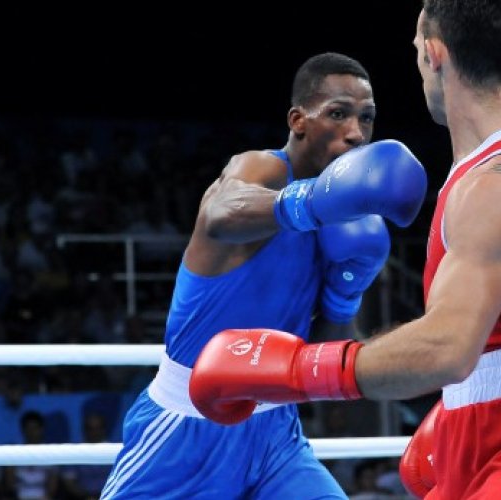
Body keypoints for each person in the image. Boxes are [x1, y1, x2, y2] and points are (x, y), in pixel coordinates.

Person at [189, 2, 501, 498]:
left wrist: (298, 370)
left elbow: (447, 349)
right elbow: (498, 339)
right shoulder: (484, 171)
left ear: (435, 55)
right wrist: (463, 405)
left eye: (416, 50)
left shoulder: (500, 187)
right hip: (499, 417)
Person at [101, 52, 427, 499]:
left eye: (366, 118)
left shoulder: (346, 225)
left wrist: (344, 292)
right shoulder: (264, 170)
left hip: (277, 435)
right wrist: (311, 202)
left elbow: (326, 349)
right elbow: (219, 213)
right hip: (187, 429)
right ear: (298, 120)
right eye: (338, 113)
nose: (355, 132)